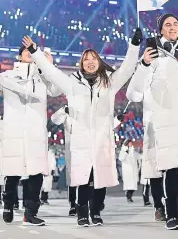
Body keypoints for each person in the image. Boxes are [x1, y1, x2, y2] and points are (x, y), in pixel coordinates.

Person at [26, 28, 142, 227]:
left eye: (93, 58)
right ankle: (81, 213)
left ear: (98, 61)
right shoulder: (72, 83)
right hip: (80, 140)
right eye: (86, 59)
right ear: (81, 63)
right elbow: (52, 72)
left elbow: (128, 67)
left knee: (100, 179)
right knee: (83, 179)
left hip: (101, 139)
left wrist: (134, 45)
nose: (90, 62)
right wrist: (36, 53)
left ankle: (96, 211)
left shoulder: (110, 82)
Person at [126, 13, 178, 230]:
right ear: (160, 29)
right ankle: (170, 212)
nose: (172, 27)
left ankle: (174, 201)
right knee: (169, 168)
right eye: (167, 24)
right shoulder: (154, 55)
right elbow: (134, 93)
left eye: (175, 24)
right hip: (165, 119)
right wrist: (144, 64)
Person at [0, 42, 62, 226]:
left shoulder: (42, 77)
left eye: (33, 50)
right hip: (14, 131)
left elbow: (57, 89)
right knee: (12, 174)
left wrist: (49, 67)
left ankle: (30, 213)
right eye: (26, 50)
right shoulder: (9, 75)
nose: (29, 53)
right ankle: (8, 204)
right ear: (19, 56)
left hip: (35, 133)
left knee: (36, 175)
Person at [51, 105, 76, 216]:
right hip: (72, 150)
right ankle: (73, 205)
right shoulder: (67, 110)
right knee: (73, 180)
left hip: (87, 149)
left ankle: (90, 203)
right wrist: (62, 111)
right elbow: (54, 120)